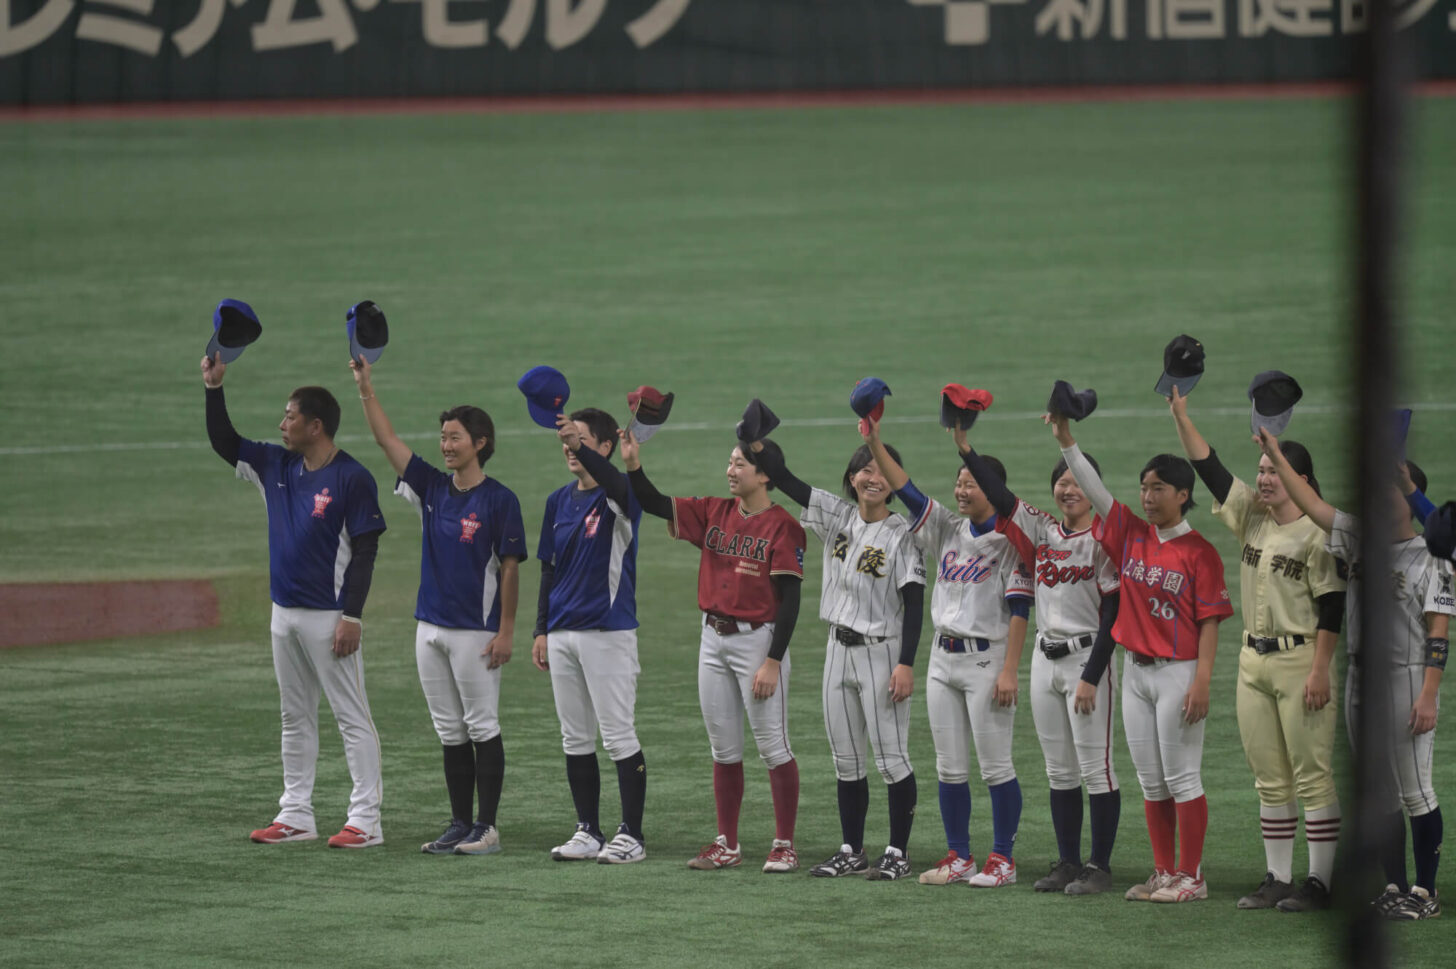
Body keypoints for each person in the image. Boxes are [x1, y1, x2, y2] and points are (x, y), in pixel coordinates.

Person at [1259, 431, 1453, 920]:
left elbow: (1439, 632)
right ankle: (1393, 884)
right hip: (1359, 680)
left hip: (1407, 677)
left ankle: (1425, 892)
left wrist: (1429, 695)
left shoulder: (1438, 557)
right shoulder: (1357, 538)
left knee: (1415, 790)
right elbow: (1313, 504)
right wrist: (1277, 457)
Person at [1168, 388, 1345, 911]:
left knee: (1312, 774)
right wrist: (1181, 415)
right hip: (1252, 663)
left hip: (1301, 662)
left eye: (1273, 471)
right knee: (1269, 777)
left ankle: (1320, 883)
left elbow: (1333, 608)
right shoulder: (1253, 516)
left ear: (1302, 481)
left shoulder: (1320, 533)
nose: (1263, 478)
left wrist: (1319, 670)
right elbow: (1211, 469)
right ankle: (1277, 877)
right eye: (1262, 469)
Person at [201, 351, 386, 848]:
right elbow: (225, 442)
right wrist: (214, 388)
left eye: (290, 416)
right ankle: (296, 814)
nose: (282, 423)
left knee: (352, 716)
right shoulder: (274, 464)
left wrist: (352, 616)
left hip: (331, 619)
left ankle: (366, 820)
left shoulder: (352, 478)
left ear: (316, 426)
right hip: (283, 614)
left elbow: (366, 550)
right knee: (294, 715)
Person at [1052, 411, 1233, 903]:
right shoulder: (1131, 533)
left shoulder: (1200, 552)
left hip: (1179, 672)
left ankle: (1191, 877)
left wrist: (1203, 682)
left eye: (1158, 488)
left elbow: (1210, 621)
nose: (1147, 497)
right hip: (1135, 672)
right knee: (1152, 783)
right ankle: (1163, 871)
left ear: (1182, 494)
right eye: (1144, 487)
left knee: (1182, 777)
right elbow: (1094, 490)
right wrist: (1067, 441)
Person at [350, 357, 526, 855]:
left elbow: (511, 568)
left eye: (455, 437)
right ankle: (458, 823)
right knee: (450, 730)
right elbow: (388, 442)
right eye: (443, 437)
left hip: (476, 632)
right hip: (428, 628)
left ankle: (487, 829)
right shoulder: (431, 488)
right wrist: (366, 387)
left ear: (480, 443)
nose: (446, 445)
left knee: (481, 726)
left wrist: (507, 630)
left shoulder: (500, 500)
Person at [948, 422, 1124, 896]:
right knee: (1059, 771)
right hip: (1045, 663)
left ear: (1091, 491)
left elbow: (1113, 614)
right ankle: (1068, 861)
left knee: (1096, 769)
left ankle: (1099, 865)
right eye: (1060, 482)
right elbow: (1002, 498)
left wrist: (1091, 676)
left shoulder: (1105, 540)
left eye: (1075, 482)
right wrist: (967, 450)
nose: (1066, 489)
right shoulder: (1043, 530)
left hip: (1088, 660)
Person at [860, 419, 1035, 889]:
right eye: (958, 482)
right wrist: (873, 441)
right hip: (942, 659)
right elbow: (908, 490)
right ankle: (959, 856)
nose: (960, 489)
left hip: (987, 660)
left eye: (971, 482)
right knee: (949, 765)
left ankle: (1003, 859)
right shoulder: (947, 528)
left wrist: (1011, 672)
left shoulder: (1010, 544)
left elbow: (1021, 609)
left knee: (995, 764)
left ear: (993, 490)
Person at [622, 431, 807, 873]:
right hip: (712, 640)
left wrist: (773, 660)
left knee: (773, 747)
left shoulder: (784, 525)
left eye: (739, 464)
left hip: (758, 641)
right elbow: (652, 502)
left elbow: (791, 600)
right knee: (724, 749)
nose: (730, 470)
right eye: (730, 462)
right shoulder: (714, 511)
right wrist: (632, 463)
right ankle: (727, 842)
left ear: (764, 475)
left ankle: (784, 843)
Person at [750, 424, 927, 881]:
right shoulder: (838, 517)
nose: (873, 478)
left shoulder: (903, 533)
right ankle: (852, 849)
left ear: (893, 480)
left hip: (882, 653)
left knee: (891, 757)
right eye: (864, 470)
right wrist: (755, 444)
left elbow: (913, 604)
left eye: (882, 472)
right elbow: (783, 477)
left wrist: (907, 663)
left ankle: (897, 852)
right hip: (837, 649)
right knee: (845, 759)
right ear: (851, 479)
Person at [531, 409, 648, 864]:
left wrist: (583, 448)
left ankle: (632, 834)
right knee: (575, 738)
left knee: (618, 736)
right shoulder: (558, 501)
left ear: (605, 447)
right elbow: (548, 569)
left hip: (608, 633)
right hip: (562, 635)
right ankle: (587, 830)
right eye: (566, 439)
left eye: (579, 440)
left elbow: (619, 485)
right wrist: (541, 629)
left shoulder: (621, 496)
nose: (569, 447)